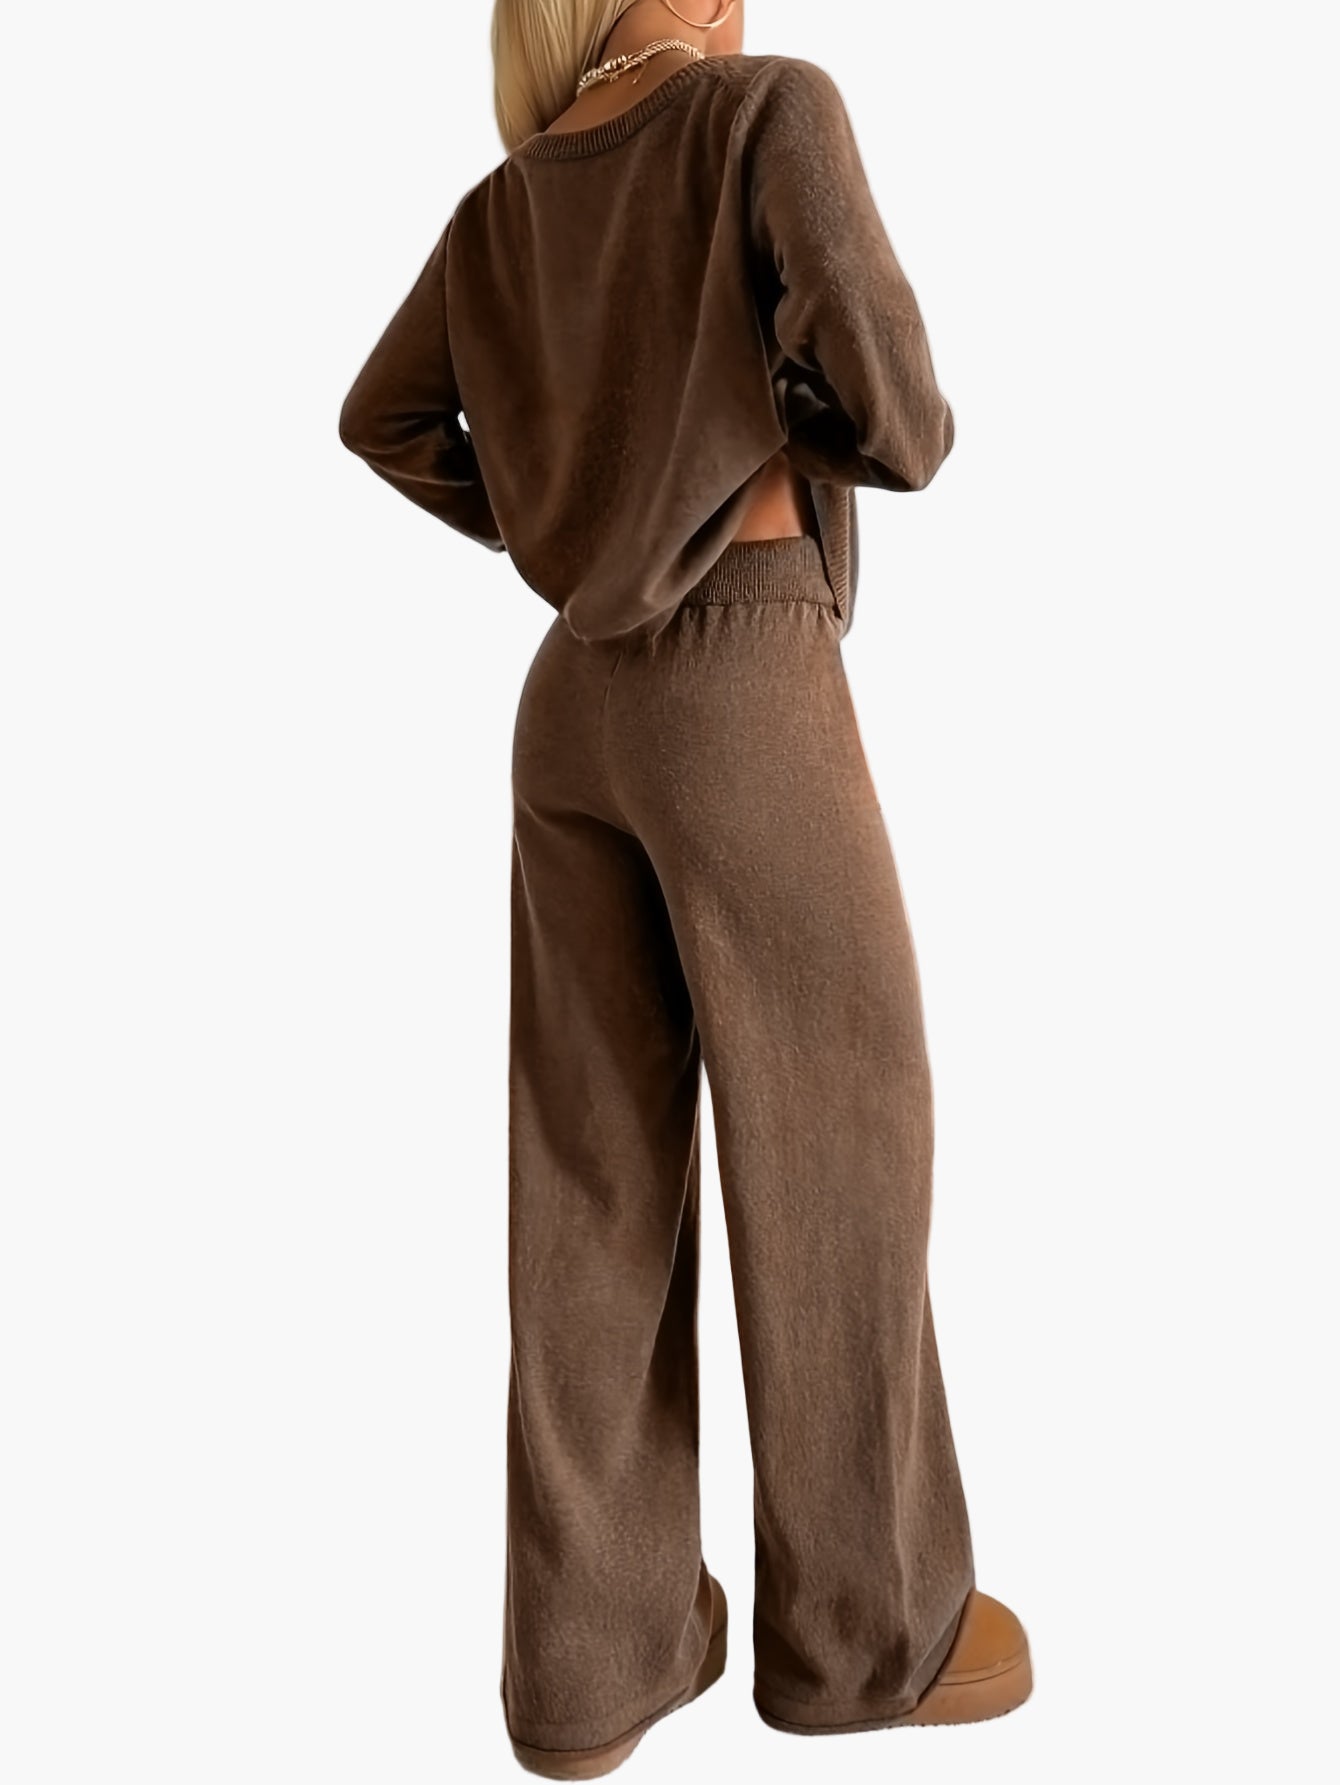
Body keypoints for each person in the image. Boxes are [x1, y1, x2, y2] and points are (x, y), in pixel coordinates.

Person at [338, 1, 1030, 1775]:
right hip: (743, 685)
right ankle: (870, 1633)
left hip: (569, 710)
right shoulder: (766, 112)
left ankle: (590, 1664)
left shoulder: (506, 204)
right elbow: (909, 422)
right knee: (842, 1136)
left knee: (588, 1178)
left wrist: (565, 510)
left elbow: (384, 416)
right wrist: (766, 431)